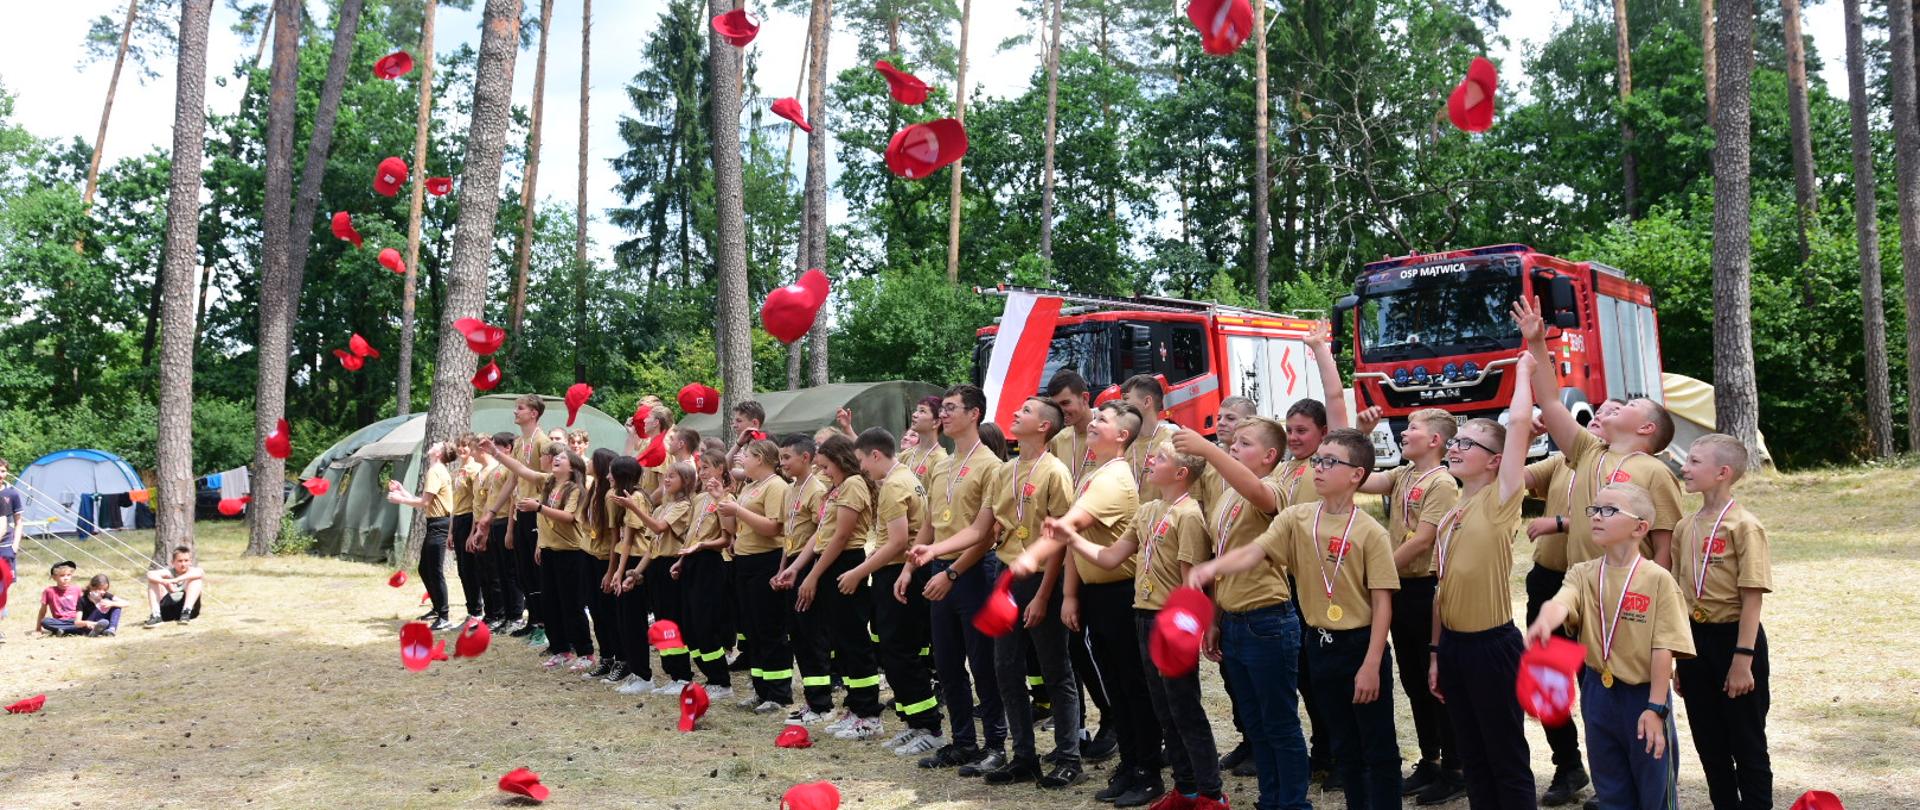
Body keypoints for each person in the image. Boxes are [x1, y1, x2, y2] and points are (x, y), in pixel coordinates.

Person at [1192, 428, 1402, 810]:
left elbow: (1382, 602)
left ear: (1356, 475)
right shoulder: (1298, 517)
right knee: (1344, 746)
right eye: (1318, 460)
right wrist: (1212, 569)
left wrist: (1372, 663)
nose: (1317, 468)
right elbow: (1254, 553)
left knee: (1378, 747)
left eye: (1330, 462)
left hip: (1359, 645)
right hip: (1319, 643)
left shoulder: (1371, 531)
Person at [1030, 442, 1223, 808]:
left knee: (1186, 710)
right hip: (1142, 616)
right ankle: (1185, 789)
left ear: (1181, 474)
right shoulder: (1150, 509)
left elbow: (1191, 584)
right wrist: (1071, 538)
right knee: (1163, 709)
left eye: (1161, 458)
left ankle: (1211, 793)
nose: (1151, 460)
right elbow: (1110, 556)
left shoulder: (1189, 516)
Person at [916, 397, 1083, 785]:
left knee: (1056, 670)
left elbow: (1061, 540)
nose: (1016, 414)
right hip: (1006, 577)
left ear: (1043, 427)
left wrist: (1043, 594)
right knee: (1005, 668)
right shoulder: (1005, 470)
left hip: (1042, 578)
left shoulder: (1055, 472)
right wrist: (933, 550)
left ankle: (1068, 756)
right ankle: (1024, 756)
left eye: (1026, 411)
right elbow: (980, 529)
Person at [1526, 482, 1694, 810]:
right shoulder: (1583, 573)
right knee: (1610, 786)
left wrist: (1656, 708)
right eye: (1594, 510)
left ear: (1640, 528)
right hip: (1598, 693)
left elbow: (1664, 649)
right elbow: (1561, 601)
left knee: (1654, 789)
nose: (1596, 517)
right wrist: (1545, 621)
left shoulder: (1658, 580)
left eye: (1609, 510)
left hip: (1644, 696)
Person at [1017, 401, 1157, 792]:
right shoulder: (1094, 473)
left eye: (1103, 421)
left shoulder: (1113, 478)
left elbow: (1072, 527)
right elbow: (1078, 545)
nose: (1093, 423)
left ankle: (1146, 770)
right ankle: (1129, 766)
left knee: (1131, 687)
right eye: (1094, 418)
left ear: (1122, 435)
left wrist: (1030, 557)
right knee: (1115, 687)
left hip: (1117, 595)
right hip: (1097, 595)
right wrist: (1070, 594)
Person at [1172, 414, 1307, 810]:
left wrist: (1208, 449)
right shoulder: (1228, 493)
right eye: (1234, 443)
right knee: (1257, 726)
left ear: (1269, 455)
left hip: (1268, 619)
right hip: (1234, 622)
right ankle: (1271, 798)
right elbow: (1222, 557)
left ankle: (1294, 803)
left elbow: (1260, 495)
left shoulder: (1273, 487)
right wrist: (1214, 621)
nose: (1234, 446)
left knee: (1280, 724)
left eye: (1245, 443)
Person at [1428, 350, 1540, 810]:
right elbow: (1441, 590)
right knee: (1472, 756)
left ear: (1495, 462)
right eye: (1456, 441)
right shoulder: (1452, 512)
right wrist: (1436, 652)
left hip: (1492, 647)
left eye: (1468, 444)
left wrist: (1525, 371)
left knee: (1504, 757)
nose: (1455, 447)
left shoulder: (1500, 500)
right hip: (1453, 646)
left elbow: (1516, 428)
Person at [1517, 299, 1684, 571]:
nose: (1611, 409)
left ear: (1646, 428)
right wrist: (1537, 342)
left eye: (1631, 406)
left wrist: (1655, 592)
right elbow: (1550, 402)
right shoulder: (1588, 451)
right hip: (1582, 583)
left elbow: (1666, 544)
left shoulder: (1656, 472)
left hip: (1629, 587)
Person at [1354, 408, 1465, 804]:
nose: (1404, 432)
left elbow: (1424, 539)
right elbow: (1362, 479)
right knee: (1414, 681)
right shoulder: (1403, 474)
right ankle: (1430, 759)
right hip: (1401, 587)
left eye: (1413, 428)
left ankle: (1456, 768)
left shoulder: (1443, 482)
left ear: (1435, 440)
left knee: (1436, 683)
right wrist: (1362, 437)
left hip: (1424, 588)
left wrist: (1377, 570)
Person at [1518, 400, 1620, 807]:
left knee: (1593, 683)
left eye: (1611, 410)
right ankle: (1568, 765)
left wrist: (1558, 522)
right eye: (1594, 411)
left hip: (1591, 584)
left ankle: (1611, 779)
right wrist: (1525, 436)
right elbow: (1515, 477)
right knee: (1546, 683)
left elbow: (1615, 517)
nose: (1597, 414)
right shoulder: (1562, 462)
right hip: (1547, 581)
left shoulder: (1615, 467)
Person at [902, 385, 1008, 770]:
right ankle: (963, 742)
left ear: (974, 413)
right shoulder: (942, 464)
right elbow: (931, 523)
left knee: (982, 664)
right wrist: (910, 566)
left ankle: (996, 745)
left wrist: (951, 570)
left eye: (951, 409)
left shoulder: (992, 466)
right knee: (947, 664)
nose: (943, 415)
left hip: (973, 572)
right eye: (942, 409)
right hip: (938, 568)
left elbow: (987, 534)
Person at [1670, 434, 1773, 810]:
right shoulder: (1685, 526)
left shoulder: (1744, 526)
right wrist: (1682, 658)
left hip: (1736, 640)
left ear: (1722, 473)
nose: (1685, 467)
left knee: (1746, 744)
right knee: (1709, 745)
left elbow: (1752, 598)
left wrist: (1743, 660)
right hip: (1695, 642)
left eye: (1695, 462)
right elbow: (1680, 593)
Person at [776, 434, 885, 740]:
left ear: (838, 460)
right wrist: (798, 568)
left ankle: (868, 713)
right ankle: (854, 707)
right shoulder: (837, 488)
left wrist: (812, 576)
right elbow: (821, 534)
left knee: (854, 641)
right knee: (842, 641)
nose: (822, 471)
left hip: (845, 561)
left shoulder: (853, 484)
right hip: (830, 562)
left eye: (825, 465)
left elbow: (840, 537)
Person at [849, 428, 943, 755]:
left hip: (900, 573)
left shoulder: (893, 485)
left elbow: (898, 541)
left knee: (899, 651)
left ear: (876, 455)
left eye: (862, 461)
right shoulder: (903, 475)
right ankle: (915, 722)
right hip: (906, 571)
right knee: (901, 650)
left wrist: (859, 572)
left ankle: (928, 725)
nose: (862, 468)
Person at [494, 444, 595, 671]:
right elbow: (522, 470)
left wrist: (538, 507)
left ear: (573, 466)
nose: (556, 459)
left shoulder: (575, 489)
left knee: (572, 604)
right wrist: (497, 454)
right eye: (556, 457)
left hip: (571, 553)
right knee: (550, 603)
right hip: (549, 551)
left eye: (562, 457)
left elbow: (569, 517)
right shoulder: (548, 481)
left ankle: (586, 653)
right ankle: (561, 650)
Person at [716, 439, 793, 712]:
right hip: (745, 562)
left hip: (766, 561)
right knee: (752, 629)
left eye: (746, 455)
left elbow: (773, 528)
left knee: (769, 627)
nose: (741, 460)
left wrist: (738, 510)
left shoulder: (776, 486)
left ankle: (779, 693)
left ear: (760, 458)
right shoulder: (749, 486)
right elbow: (733, 525)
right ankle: (761, 689)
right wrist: (722, 502)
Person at [619, 461, 698, 694]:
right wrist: (636, 572)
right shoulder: (663, 505)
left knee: (673, 622)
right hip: (656, 565)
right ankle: (672, 673)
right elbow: (652, 547)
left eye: (672, 476)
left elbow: (660, 528)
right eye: (666, 475)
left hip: (670, 566)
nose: (666, 479)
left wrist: (634, 508)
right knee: (662, 623)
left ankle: (682, 675)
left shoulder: (682, 505)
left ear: (685, 481)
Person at [771, 435, 832, 721]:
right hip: (792, 564)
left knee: (811, 635)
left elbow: (819, 535)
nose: (782, 463)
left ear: (806, 458)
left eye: (786, 458)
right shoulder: (790, 489)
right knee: (798, 635)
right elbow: (789, 534)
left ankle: (822, 704)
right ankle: (812, 700)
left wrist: (799, 568)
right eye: (781, 458)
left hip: (809, 566)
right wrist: (782, 567)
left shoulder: (817, 489)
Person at [674, 450, 737, 697]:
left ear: (721, 469)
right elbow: (692, 533)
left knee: (705, 624)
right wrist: (681, 559)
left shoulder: (728, 496)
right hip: (692, 561)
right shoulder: (699, 498)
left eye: (708, 468)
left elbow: (727, 536)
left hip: (710, 562)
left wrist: (701, 546)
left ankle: (721, 681)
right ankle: (710, 675)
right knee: (689, 626)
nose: (703, 473)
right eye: (700, 469)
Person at [386, 442, 458, 631]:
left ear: (440, 453)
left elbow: (425, 502)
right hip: (436, 523)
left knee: (434, 570)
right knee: (425, 569)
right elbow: (427, 500)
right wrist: (403, 491)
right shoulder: (438, 470)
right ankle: (437, 609)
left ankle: (444, 616)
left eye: (437, 445)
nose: (433, 444)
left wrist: (400, 499)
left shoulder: (435, 471)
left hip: (439, 524)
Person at [507, 396, 554, 646]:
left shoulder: (543, 442)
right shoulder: (518, 443)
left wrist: (542, 509)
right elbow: (513, 480)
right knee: (523, 570)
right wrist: (491, 512)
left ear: (533, 413)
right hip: (520, 511)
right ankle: (533, 619)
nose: (515, 411)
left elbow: (548, 481)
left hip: (537, 510)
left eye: (520, 408)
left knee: (537, 569)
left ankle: (545, 623)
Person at [604, 455, 651, 691]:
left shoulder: (637, 498)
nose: (608, 477)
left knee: (633, 622)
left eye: (612, 473)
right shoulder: (623, 499)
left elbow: (630, 539)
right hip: (626, 558)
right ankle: (634, 671)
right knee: (624, 621)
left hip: (634, 560)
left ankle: (643, 676)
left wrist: (620, 572)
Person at [583, 448, 626, 681]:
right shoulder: (594, 489)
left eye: (592, 460)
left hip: (604, 560)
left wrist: (611, 571)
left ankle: (621, 658)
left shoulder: (610, 495)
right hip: (589, 555)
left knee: (609, 613)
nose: (587, 462)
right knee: (597, 612)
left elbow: (614, 537)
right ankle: (606, 657)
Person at [469, 433, 518, 632]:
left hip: (504, 520)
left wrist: (509, 529)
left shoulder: (510, 468)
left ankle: (514, 615)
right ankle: (504, 614)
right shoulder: (496, 469)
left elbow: (512, 499)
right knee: (498, 572)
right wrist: (483, 526)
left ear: (507, 448)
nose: (492, 448)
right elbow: (489, 499)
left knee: (508, 573)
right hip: (493, 522)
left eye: (497, 445)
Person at [1120, 375, 1178, 502]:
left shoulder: (1172, 443)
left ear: (1147, 402)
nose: (1121, 406)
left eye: (1126, 399)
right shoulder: (1123, 443)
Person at [451, 436, 488, 623]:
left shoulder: (475, 470)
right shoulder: (459, 470)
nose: (461, 449)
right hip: (458, 518)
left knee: (471, 567)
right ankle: (471, 608)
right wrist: (451, 531)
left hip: (469, 519)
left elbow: (476, 502)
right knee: (462, 569)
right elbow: (455, 502)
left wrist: (473, 531)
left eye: (465, 446)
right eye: (459, 445)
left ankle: (477, 609)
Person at [1047, 370, 1099, 487]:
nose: (1060, 411)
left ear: (1085, 398)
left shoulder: (1109, 433)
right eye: (1056, 406)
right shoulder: (1057, 440)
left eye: (1065, 403)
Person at [143, 546, 205, 626]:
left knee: (196, 580)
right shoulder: (169, 572)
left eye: (186, 561)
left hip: (189, 611)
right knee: (153, 581)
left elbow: (200, 573)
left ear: (190, 561)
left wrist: (175, 580)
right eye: (180, 561)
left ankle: (186, 612)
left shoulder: (194, 571)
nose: (183, 564)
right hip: (168, 610)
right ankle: (156, 615)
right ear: (173, 562)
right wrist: (165, 582)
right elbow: (150, 574)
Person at [899, 396, 948, 489]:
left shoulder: (941, 460)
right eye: (916, 410)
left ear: (936, 422)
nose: (914, 414)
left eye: (922, 411)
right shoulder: (906, 454)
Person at [37, 561, 92, 636]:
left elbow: (84, 606)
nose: (66, 578)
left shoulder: (77, 589)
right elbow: (42, 611)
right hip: (59, 621)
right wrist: (38, 629)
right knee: (45, 621)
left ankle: (63, 630)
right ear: (54, 577)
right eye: (62, 576)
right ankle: (73, 630)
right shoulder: (49, 591)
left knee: (88, 620)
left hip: (76, 620)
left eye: (69, 575)